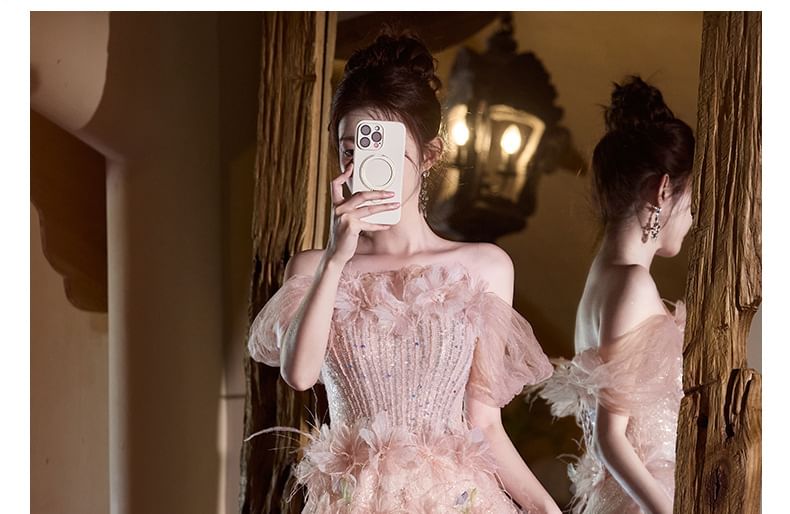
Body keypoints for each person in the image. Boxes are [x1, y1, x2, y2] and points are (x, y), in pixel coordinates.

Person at [247, 31, 560, 513]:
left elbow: (485, 423)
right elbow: (300, 374)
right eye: (350, 149)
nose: (362, 164)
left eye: (382, 151)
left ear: (429, 155)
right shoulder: (314, 266)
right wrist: (335, 257)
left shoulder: (485, 266)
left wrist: (545, 509)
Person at [537, 76, 695, 514]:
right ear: (663, 190)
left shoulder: (602, 280)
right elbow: (610, 439)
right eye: (692, 200)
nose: (692, 218)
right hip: (646, 501)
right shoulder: (631, 283)